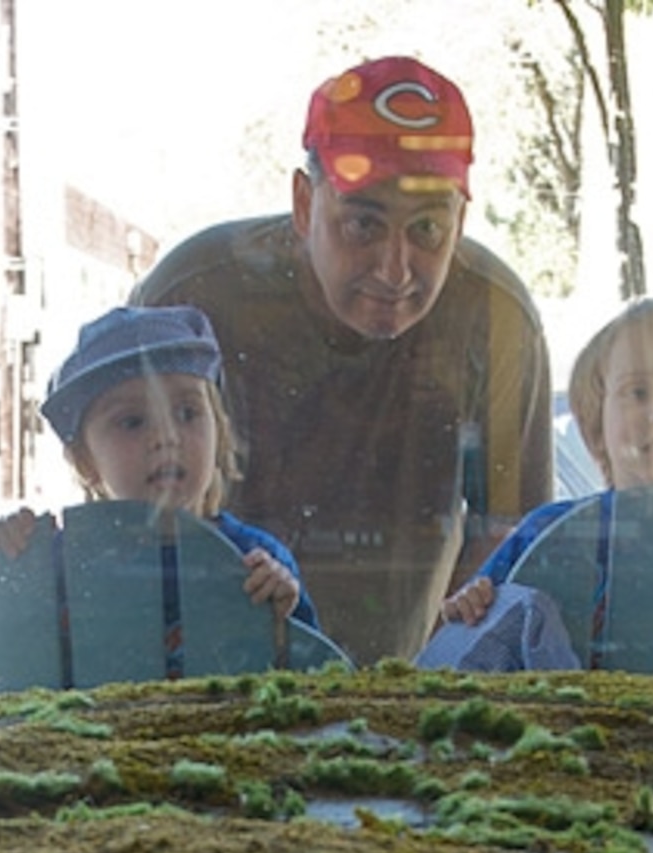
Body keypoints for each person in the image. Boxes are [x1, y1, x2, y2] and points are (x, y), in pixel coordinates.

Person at [132, 57, 552, 664]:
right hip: (213, 679)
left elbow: (511, 532)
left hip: (413, 692)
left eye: (429, 229)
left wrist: (442, 671)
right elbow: (118, 508)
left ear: (462, 222)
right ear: (305, 204)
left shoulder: (496, 316)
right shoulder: (195, 295)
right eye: (363, 224)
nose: (394, 268)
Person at [0, 304, 321, 635]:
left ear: (218, 432)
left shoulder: (256, 562)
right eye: (132, 422)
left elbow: (314, 673)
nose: (167, 437)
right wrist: (13, 557)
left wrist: (281, 614)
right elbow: (8, 657)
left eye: (188, 413)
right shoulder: (58, 565)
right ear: (85, 462)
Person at [438, 294, 653, 625]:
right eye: (639, 392)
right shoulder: (547, 536)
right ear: (596, 416)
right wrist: (470, 605)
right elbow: (473, 632)